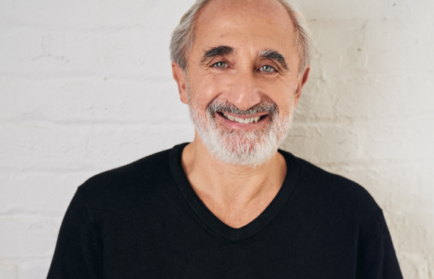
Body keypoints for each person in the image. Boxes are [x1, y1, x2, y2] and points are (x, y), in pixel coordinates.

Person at [47, 0, 403, 278]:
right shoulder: (103, 210)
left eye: (268, 67)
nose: (244, 97)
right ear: (183, 81)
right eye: (219, 63)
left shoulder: (351, 216)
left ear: (298, 85)